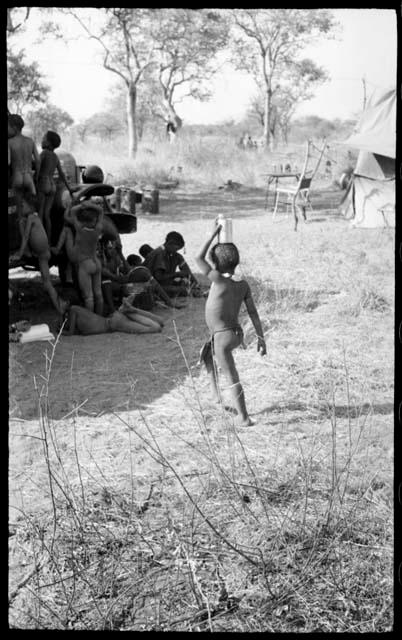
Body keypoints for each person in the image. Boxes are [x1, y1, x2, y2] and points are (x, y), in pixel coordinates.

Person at [195, 225, 267, 426]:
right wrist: (261, 337)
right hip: (234, 333)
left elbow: (198, 259)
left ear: (216, 264)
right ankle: (217, 397)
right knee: (208, 355)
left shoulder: (217, 280)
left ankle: (243, 418)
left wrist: (211, 235)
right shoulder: (242, 284)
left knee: (232, 376)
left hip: (223, 336)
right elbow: (253, 312)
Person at [9, 194, 65, 313]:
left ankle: (60, 305)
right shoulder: (34, 217)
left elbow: (26, 236)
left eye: (23, 205)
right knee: (47, 283)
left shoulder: (31, 218)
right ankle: (60, 305)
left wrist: (20, 253)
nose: (21, 207)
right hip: (42, 254)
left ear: (30, 206)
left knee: (47, 282)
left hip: (42, 254)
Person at [53, 201, 104, 315]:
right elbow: (101, 211)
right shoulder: (98, 229)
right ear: (94, 220)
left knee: (88, 297)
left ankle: (89, 319)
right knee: (98, 293)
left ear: (82, 221)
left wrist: (80, 206)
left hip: (85, 264)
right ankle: (99, 318)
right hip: (96, 262)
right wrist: (90, 205)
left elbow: (71, 212)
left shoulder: (80, 229)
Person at [59, 294, 164, 336]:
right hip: (115, 319)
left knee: (156, 328)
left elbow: (70, 332)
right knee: (161, 322)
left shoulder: (73, 310)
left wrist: (59, 331)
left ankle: (129, 310)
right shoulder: (77, 310)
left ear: (67, 302)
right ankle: (130, 310)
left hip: (114, 323)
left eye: (60, 301)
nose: (58, 303)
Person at [37, 130, 73, 241]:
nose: (41, 140)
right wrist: (69, 188)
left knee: (40, 215)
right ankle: (48, 240)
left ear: (48, 143)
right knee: (47, 215)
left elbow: (37, 167)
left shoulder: (43, 153)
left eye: (43, 139)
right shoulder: (55, 156)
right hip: (52, 186)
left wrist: (34, 179)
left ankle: (40, 241)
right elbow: (62, 174)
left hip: (43, 183)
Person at [144, 231, 204, 298]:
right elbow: (159, 277)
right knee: (183, 290)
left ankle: (192, 290)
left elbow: (187, 271)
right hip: (154, 286)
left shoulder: (172, 254)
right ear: (170, 243)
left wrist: (196, 285)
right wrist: (177, 274)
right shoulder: (160, 254)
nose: (176, 251)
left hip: (164, 284)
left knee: (184, 284)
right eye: (176, 249)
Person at [8, 114, 40, 220]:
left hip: (16, 177)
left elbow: (8, 162)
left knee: (20, 212)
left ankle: (22, 235)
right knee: (33, 211)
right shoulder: (30, 141)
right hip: (29, 177)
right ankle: (35, 233)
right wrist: (37, 175)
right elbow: (38, 160)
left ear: (14, 127)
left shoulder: (10, 142)